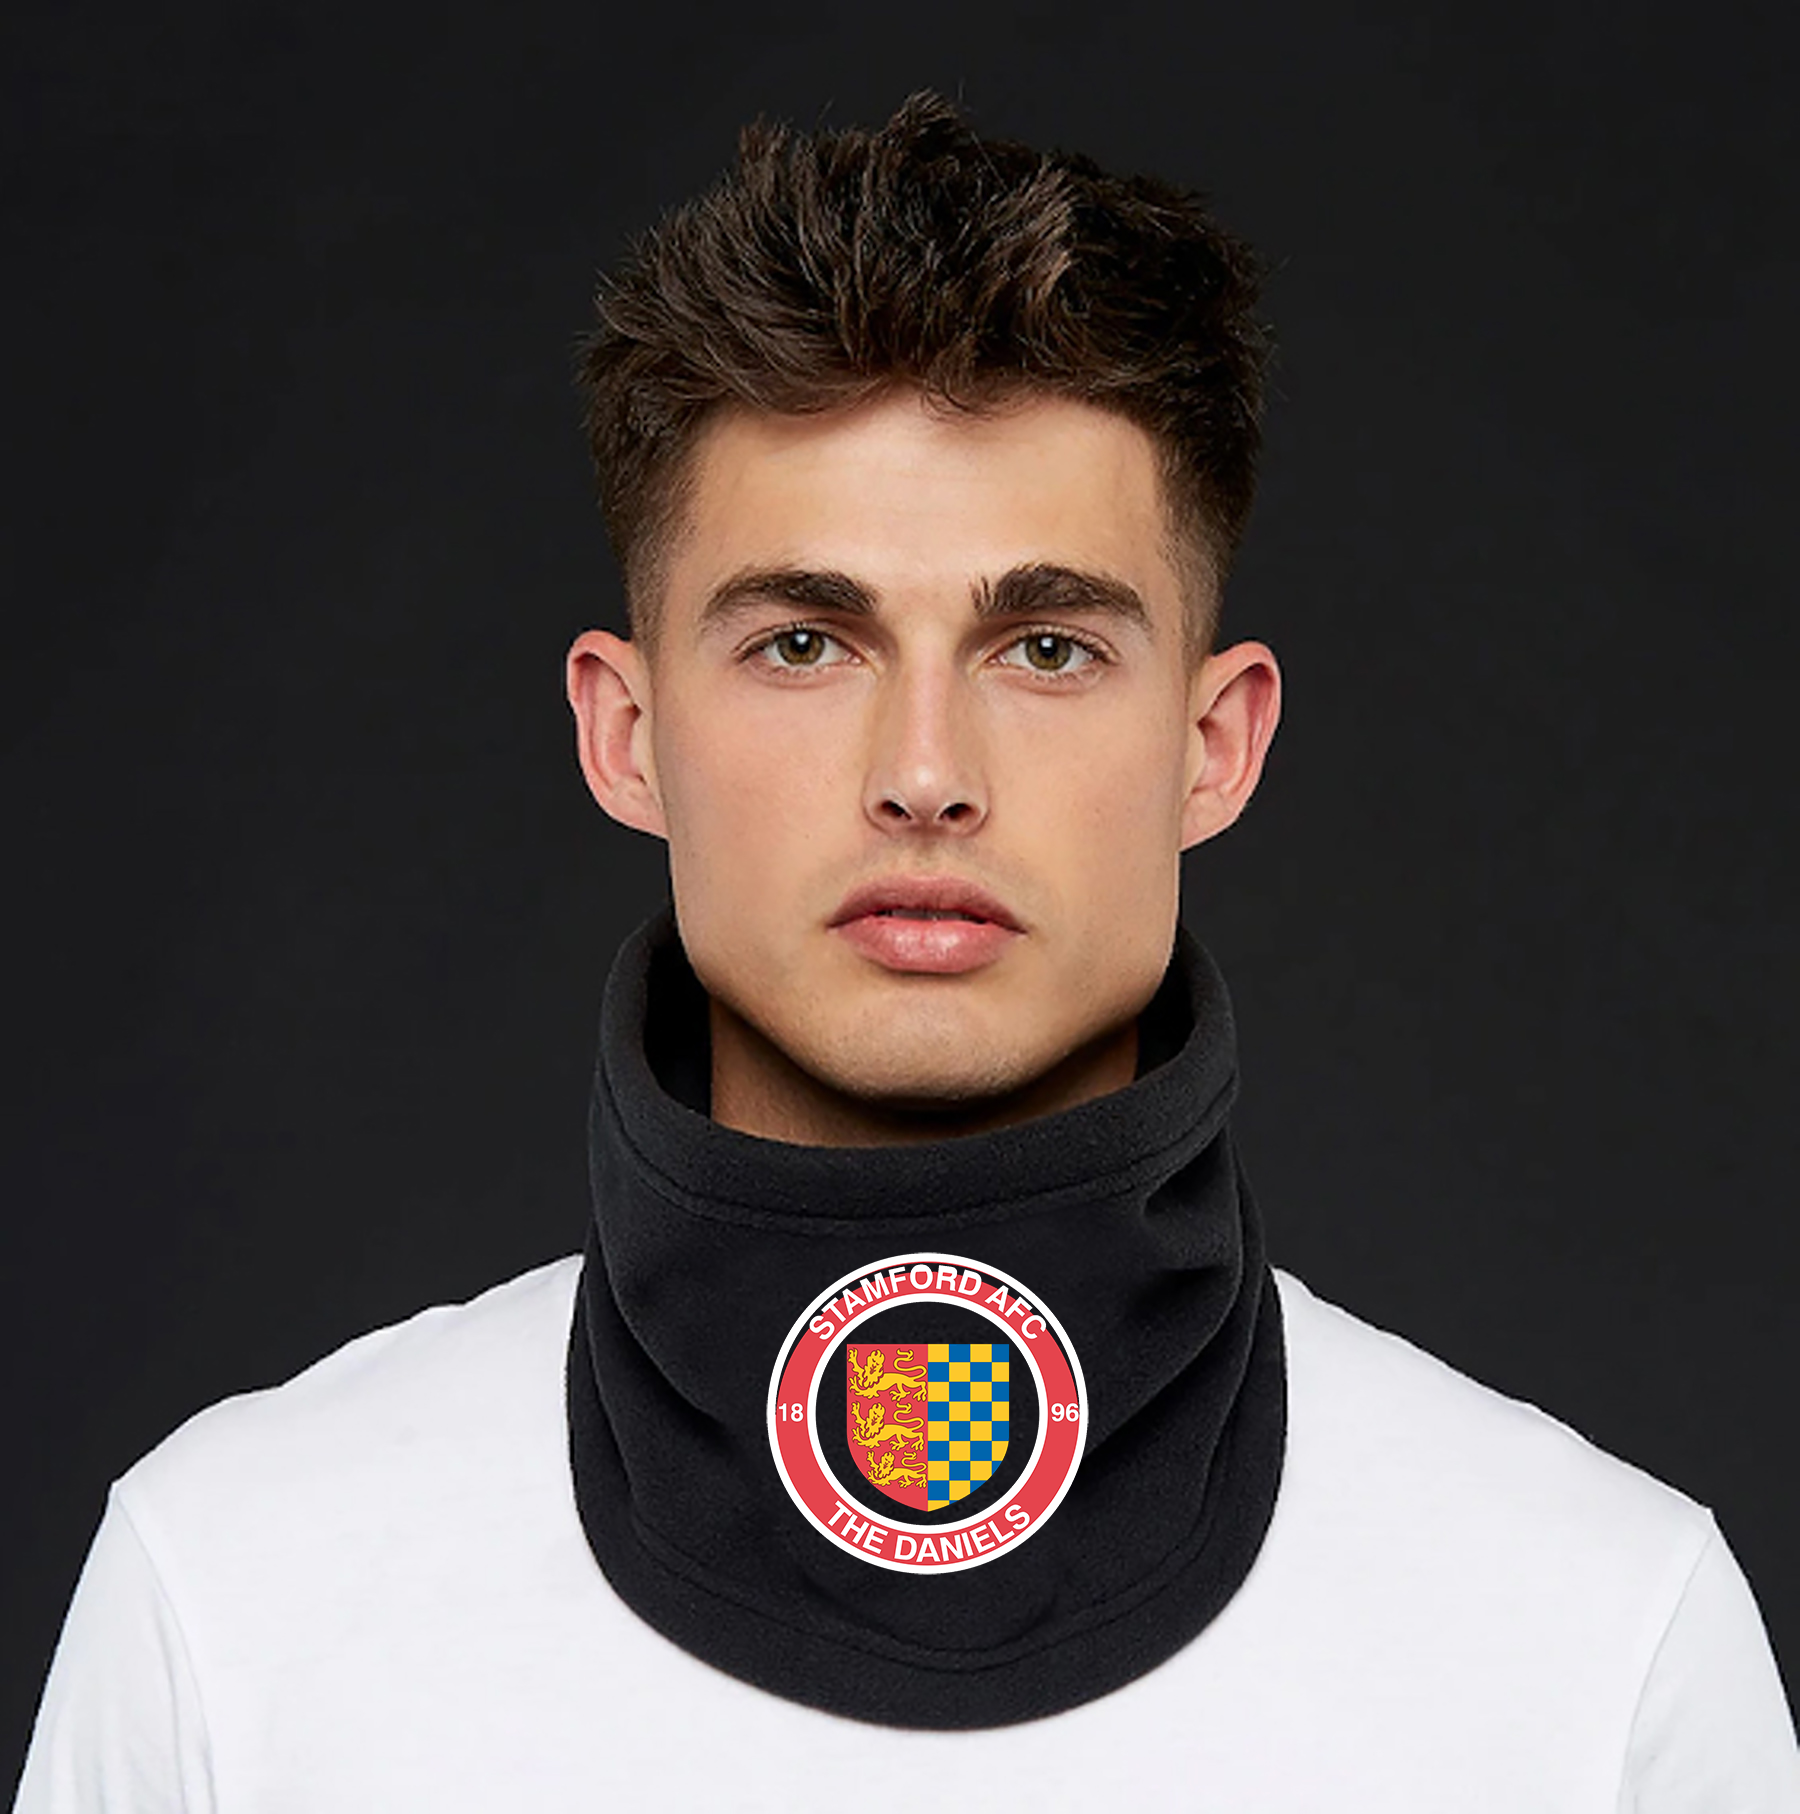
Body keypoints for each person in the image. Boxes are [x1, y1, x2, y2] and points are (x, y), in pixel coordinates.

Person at [15, 90, 1798, 1811]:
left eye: (1047, 647)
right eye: (804, 643)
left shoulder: (1597, 1645)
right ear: (627, 734)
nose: (926, 773)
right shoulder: (234, 1600)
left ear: (1214, 744)